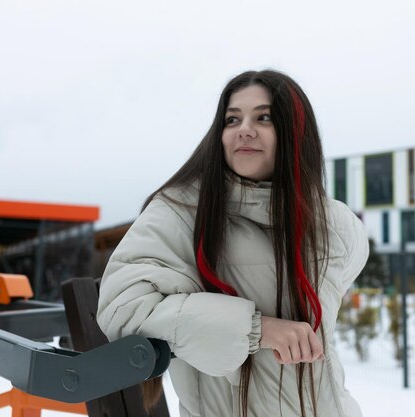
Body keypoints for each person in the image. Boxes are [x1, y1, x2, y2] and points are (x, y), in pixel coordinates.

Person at [97, 69, 369, 417]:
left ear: (295, 133)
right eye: (232, 119)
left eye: (264, 117)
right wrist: (256, 329)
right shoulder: (183, 210)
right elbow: (123, 307)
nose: (244, 129)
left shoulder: (333, 222)